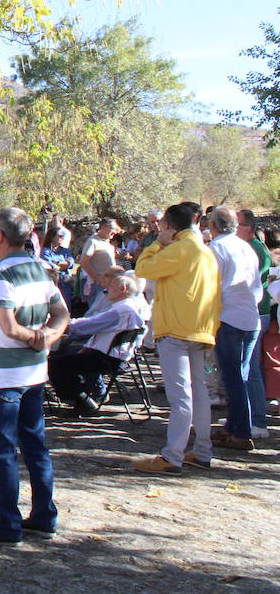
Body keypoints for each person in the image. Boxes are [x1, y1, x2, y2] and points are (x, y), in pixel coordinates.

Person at [0, 207, 68, 547]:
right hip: (34, 372)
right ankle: (44, 515)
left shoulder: (0, 275)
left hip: (1, 376)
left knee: (2, 451)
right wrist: (47, 337)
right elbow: (61, 313)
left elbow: (10, 327)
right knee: (35, 445)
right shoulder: (40, 268)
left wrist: (36, 337)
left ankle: (8, 524)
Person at [132, 203, 221, 474]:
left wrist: (157, 244)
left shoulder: (180, 249)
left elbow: (142, 269)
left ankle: (172, 456)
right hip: (201, 329)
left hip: (176, 331)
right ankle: (203, 452)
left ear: (168, 225)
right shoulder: (206, 252)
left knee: (181, 396)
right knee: (199, 395)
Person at [48, 272, 149, 414]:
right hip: (118, 356)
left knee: (55, 362)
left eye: (112, 286)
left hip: (107, 358)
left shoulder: (121, 309)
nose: (107, 289)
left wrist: (63, 322)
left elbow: (89, 325)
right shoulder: (132, 306)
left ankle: (81, 399)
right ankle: (82, 394)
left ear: (123, 289)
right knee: (69, 354)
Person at [206, 206, 262, 451]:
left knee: (234, 377)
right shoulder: (244, 246)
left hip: (229, 318)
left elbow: (211, 285)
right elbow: (257, 286)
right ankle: (234, 425)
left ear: (213, 226)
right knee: (241, 374)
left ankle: (241, 431)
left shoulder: (217, 248)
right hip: (249, 317)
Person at [237, 208, 273, 440]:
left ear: (248, 228)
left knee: (251, 369)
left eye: (238, 225)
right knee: (245, 367)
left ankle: (258, 421)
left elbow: (248, 280)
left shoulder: (256, 249)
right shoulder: (251, 247)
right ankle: (245, 416)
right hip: (251, 311)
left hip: (255, 312)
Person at [78, 218, 119, 309]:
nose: (115, 232)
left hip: (109, 285)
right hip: (98, 285)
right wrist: (97, 278)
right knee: (96, 313)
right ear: (103, 227)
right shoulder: (93, 242)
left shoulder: (106, 243)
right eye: (112, 228)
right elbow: (83, 262)